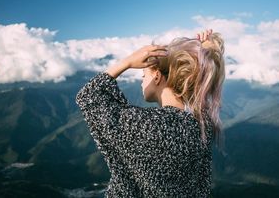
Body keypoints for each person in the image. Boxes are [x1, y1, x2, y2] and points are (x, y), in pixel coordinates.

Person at [76, 29, 225, 198]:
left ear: (156, 76)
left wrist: (127, 62)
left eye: (143, 74)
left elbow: (88, 96)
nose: (141, 81)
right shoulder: (200, 123)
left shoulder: (145, 125)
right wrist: (205, 50)